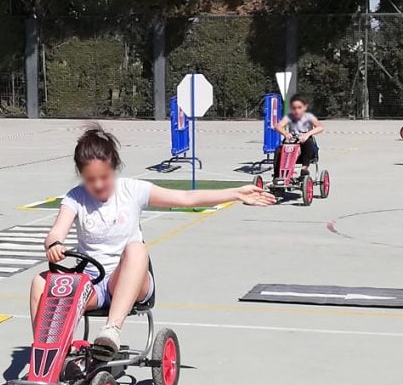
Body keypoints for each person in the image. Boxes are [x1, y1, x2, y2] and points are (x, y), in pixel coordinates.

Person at [38, 126, 276, 359]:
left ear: (114, 168)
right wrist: (54, 244)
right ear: (81, 176)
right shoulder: (75, 198)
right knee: (40, 283)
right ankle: (48, 356)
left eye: (104, 177)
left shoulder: (132, 190)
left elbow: (186, 198)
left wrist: (235, 193)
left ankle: (111, 331)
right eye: (91, 179)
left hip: (130, 279)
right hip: (91, 285)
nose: (98, 184)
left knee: (136, 248)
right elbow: (55, 232)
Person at [276, 94, 325, 166]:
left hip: (305, 140)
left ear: (305, 107)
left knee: (308, 142)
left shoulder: (309, 117)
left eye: (299, 108)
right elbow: (278, 126)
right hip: (292, 140)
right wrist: (285, 133)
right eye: (294, 108)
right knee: (278, 150)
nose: (297, 110)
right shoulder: (289, 117)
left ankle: (305, 167)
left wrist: (307, 134)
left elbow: (320, 127)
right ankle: (277, 172)